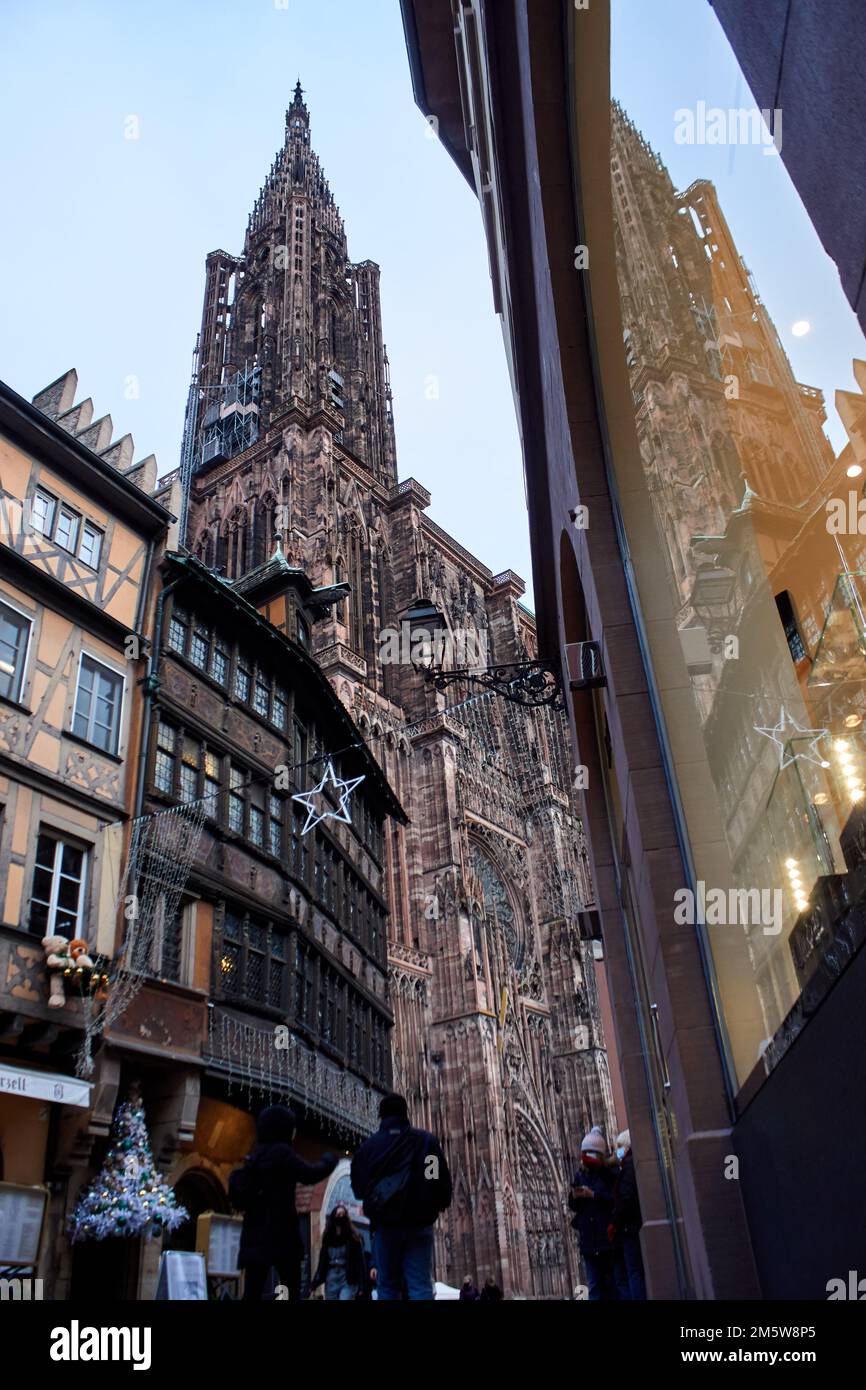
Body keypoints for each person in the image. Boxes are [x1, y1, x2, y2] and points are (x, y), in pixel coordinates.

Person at [229, 1104, 338, 1301]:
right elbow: (309, 1174)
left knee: (252, 1290)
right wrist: (329, 1160)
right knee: (291, 1288)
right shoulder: (283, 1153)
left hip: (255, 1234)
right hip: (282, 1232)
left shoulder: (254, 1155)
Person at [350, 1092, 452, 1300]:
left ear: (381, 1115)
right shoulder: (426, 1143)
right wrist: (437, 1205)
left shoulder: (369, 1148)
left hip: (386, 1226)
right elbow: (436, 1179)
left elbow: (359, 1188)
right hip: (419, 1223)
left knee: (387, 1287)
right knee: (420, 1285)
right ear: (406, 1113)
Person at [568, 1125, 620, 1301]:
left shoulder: (610, 1174)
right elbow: (573, 1206)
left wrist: (594, 1195)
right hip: (589, 1242)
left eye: (590, 1154)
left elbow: (615, 1200)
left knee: (613, 1284)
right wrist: (575, 1196)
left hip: (607, 1239)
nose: (586, 1159)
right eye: (585, 1155)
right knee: (594, 1287)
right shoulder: (580, 1175)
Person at [612, 1129, 647, 1301]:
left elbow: (625, 1197)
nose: (617, 1151)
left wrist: (615, 1221)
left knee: (633, 1273)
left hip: (629, 1228)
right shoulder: (631, 1165)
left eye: (619, 1147)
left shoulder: (628, 1166)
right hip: (633, 1226)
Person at [311, 1203, 366, 1300]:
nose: (340, 1217)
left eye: (342, 1214)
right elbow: (322, 1262)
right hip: (331, 1276)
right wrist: (315, 1283)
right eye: (338, 1214)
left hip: (347, 1276)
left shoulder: (353, 1238)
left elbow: (360, 1262)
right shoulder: (328, 1238)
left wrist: (361, 1284)